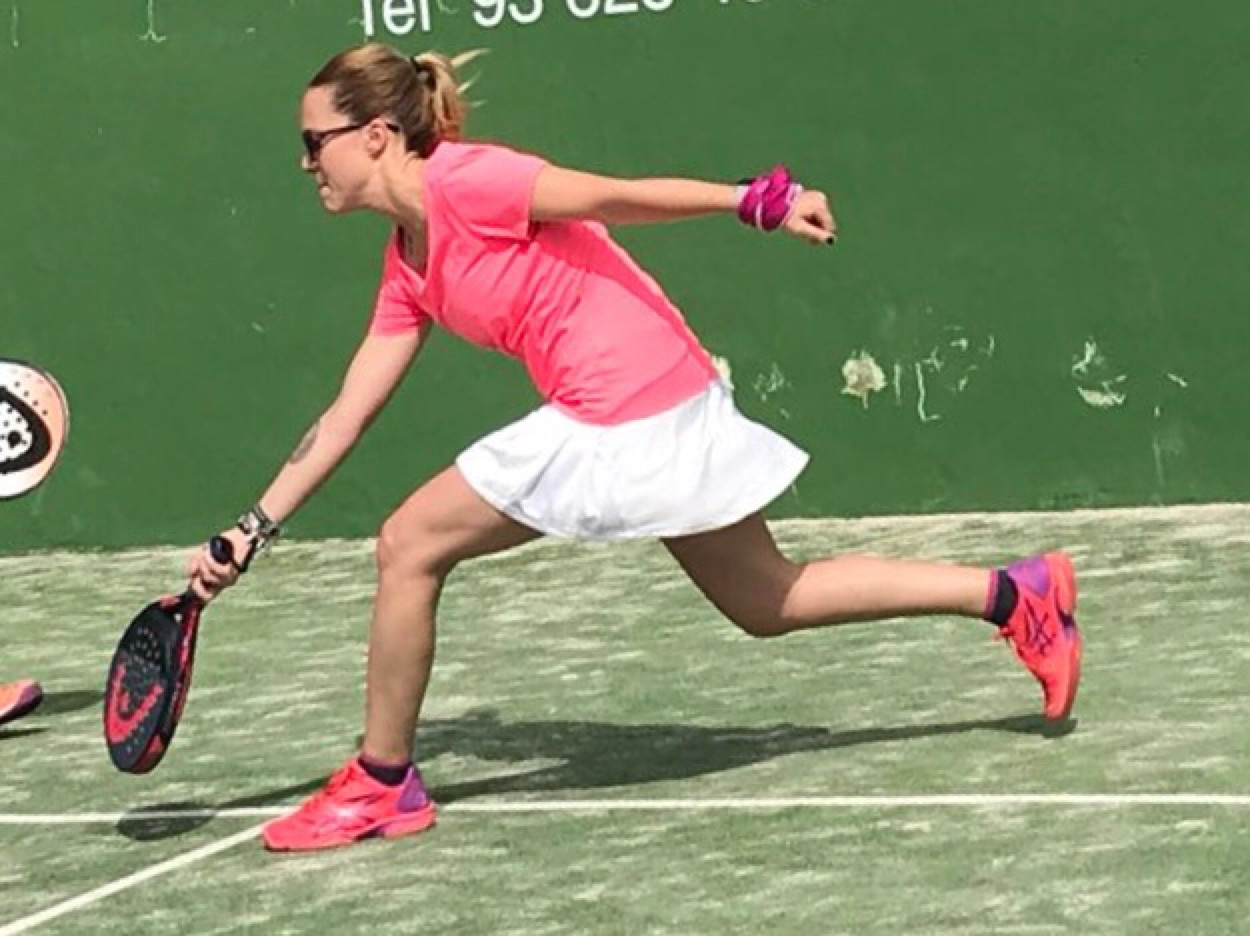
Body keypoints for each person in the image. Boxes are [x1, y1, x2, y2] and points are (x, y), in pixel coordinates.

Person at [188, 43, 1082, 853]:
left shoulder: (471, 181)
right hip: (653, 396)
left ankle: (382, 781)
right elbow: (346, 413)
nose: (307, 163)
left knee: (408, 544)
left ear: (377, 136)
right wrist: (250, 529)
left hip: (625, 406)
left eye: (315, 142)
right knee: (766, 599)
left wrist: (753, 203)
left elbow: (611, 195)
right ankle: (1015, 594)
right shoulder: (407, 262)